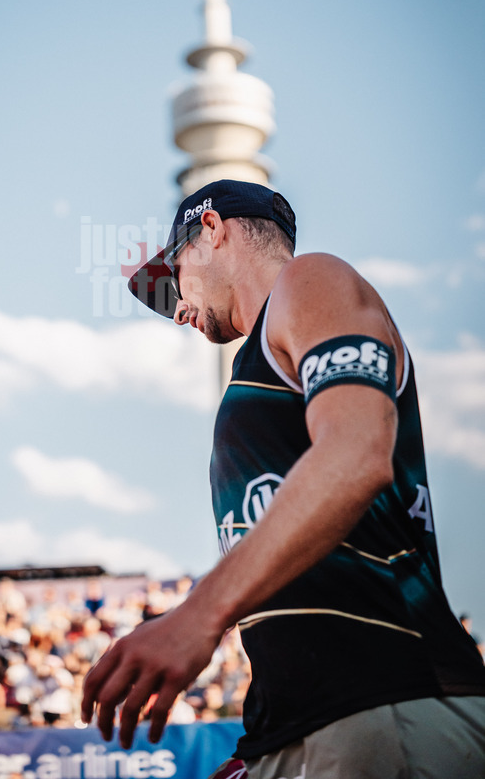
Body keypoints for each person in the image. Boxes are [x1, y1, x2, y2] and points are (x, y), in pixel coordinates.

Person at [81, 179, 485, 778]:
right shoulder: (261, 361)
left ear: (212, 230)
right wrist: (268, 737)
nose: (178, 309)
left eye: (176, 278)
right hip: (312, 721)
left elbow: (356, 454)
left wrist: (198, 614)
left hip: (388, 698)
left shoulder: (311, 279)